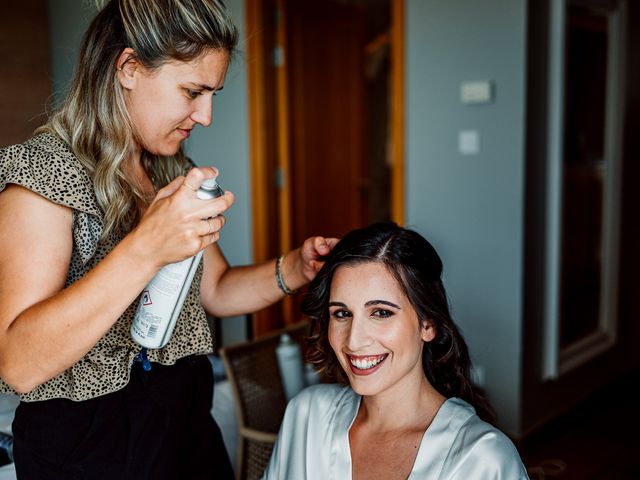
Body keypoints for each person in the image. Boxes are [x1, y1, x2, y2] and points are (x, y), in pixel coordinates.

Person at [0, 1, 336, 478]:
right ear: (130, 68)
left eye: (212, 94)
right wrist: (146, 247)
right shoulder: (44, 173)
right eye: (193, 91)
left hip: (184, 417)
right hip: (89, 445)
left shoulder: (166, 169)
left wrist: (294, 269)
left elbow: (216, 289)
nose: (205, 116)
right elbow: (19, 363)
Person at [262, 222, 530, 479]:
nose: (354, 341)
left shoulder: (482, 459)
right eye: (342, 313)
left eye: (381, 312)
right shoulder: (307, 416)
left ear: (428, 324)